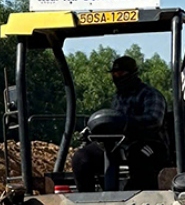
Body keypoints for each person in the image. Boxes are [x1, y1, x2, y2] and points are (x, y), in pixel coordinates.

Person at [71, 56, 169, 192]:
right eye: (114, 74)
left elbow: (154, 121)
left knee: (139, 157)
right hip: (115, 144)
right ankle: (86, 198)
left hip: (147, 143)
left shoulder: (150, 95)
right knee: (81, 158)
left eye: (121, 74)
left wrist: (126, 123)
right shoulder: (118, 97)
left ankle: (134, 195)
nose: (117, 77)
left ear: (133, 74)